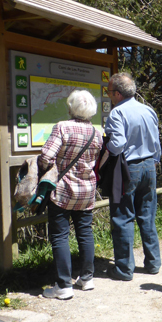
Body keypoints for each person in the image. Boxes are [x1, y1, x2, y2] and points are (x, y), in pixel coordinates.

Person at [40, 90, 103, 300]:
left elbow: (46, 156)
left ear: (70, 107)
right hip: (87, 191)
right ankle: (86, 278)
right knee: (85, 232)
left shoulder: (62, 127)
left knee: (59, 235)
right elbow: (98, 162)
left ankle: (63, 285)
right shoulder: (96, 133)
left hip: (63, 190)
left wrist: (47, 169)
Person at [104, 72, 162, 281]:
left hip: (128, 168)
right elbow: (156, 142)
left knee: (122, 217)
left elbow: (117, 144)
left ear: (117, 94)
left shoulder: (117, 113)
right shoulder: (148, 110)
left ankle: (124, 269)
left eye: (109, 92)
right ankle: (153, 263)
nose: (109, 95)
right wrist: (153, 161)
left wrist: (105, 148)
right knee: (147, 215)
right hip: (149, 166)